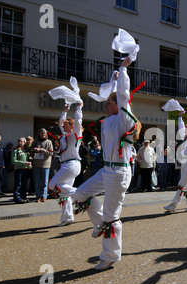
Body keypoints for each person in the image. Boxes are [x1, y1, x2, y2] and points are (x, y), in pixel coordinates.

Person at [71, 56, 141, 271]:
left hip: (119, 172)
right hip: (106, 170)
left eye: (108, 102)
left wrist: (123, 69)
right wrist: (113, 78)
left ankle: (109, 256)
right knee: (79, 194)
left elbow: (122, 95)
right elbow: (113, 92)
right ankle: (100, 223)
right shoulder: (108, 120)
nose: (106, 104)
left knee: (112, 216)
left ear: (117, 105)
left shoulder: (123, 119)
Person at [48, 102, 83, 227]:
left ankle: (83, 194)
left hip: (72, 165)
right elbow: (61, 122)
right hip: (66, 166)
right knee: (63, 193)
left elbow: (79, 122)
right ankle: (67, 217)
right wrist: (65, 110)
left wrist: (79, 108)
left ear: (72, 126)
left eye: (66, 123)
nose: (63, 125)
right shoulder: (64, 136)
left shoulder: (75, 135)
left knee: (52, 185)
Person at [164, 103, 187, 213]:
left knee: (181, 184)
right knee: (185, 186)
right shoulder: (186, 140)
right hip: (185, 163)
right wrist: (180, 117)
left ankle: (174, 204)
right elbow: (180, 127)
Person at [30, 128, 53, 202]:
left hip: (45, 164)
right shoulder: (35, 141)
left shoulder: (49, 142)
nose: (43, 134)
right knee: (36, 181)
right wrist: (34, 149)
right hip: (36, 163)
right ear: (39, 133)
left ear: (46, 134)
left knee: (45, 181)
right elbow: (30, 149)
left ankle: (44, 196)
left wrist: (41, 150)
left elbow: (51, 152)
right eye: (42, 133)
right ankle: (38, 196)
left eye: (44, 133)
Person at [11, 137, 32, 204]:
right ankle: (16, 198)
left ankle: (23, 197)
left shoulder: (25, 150)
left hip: (25, 169)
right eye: (19, 141)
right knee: (18, 184)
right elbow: (14, 161)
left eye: (21, 141)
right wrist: (24, 163)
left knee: (24, 184)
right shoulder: (16, 150)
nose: (20, 143)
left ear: (24, 142)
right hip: (18, 169)